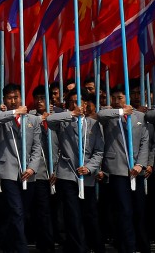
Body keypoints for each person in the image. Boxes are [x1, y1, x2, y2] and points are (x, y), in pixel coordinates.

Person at [0, 84, 44, 253]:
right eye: (9, 98)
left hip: (28, 173)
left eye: (16, 97)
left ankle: (4, 242)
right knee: (17, 210)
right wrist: (14, 113)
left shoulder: (33, 120)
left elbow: (37, 147)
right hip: (8, 172)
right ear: (4, 99)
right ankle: (21, 248)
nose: (13, 101)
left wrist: (32, 168)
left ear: (21, 98)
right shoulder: (2, 116)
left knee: (20, 212)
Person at [46, 91, 103, 253]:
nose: (75, 104)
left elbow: (99, 151)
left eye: (78, 101)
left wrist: (90, 167)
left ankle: (92, 245)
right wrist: (71, 113)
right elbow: (50, 120)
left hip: (86, 175)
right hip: (68, 174)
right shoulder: (64, 121)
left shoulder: (93, 125)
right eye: (71, 102)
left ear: (85, 104)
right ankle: (79, 248)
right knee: (72, 215)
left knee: (90, 214)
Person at [97, 87, 151, 253]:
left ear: (126, 97)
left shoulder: (140, 117)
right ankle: (127, 246)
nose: (115, 101)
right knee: (124, 210)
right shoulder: (111, 115)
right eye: (113, 98)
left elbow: (145, 142)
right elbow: (100, 115)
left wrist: (140, 165)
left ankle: (142, 245)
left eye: (119, 98)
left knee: (139, 210)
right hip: (118, 170)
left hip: (137, 171)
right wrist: (120, 111)